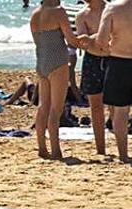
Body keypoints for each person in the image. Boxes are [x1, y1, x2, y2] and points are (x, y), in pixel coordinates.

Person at [92, 0, 132, 163]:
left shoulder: (113, 7)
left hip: (120, 61)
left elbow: (101, 41)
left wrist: (111, 47)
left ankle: (123, 155)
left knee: (120, 111)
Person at [30, 0, 87, 160]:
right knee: (56, 109)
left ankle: (42, 148)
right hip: (58, 62)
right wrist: (88, 39)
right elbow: (71, 41)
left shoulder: (35, 14)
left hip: (41, 62)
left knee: (43, 107)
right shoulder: (58, 11)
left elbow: (39, 42)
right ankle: (55, 150)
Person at [76, 0, 111, 155]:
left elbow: (120, 35)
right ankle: (100, 148)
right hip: (92, 60)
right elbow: (83, 42)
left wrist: (93, 38)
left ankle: (120, 146)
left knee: (117, 106)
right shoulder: (82, 14)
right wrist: (99, 38)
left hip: (113, 58)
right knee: (95, 106)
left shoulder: (112, 9)